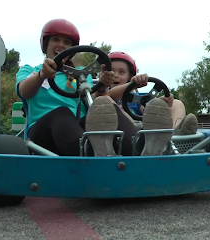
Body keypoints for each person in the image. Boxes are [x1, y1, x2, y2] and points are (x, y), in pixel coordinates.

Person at [16, 19, 171, 157]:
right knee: (62, 112)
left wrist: (103, 85)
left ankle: (141, 148)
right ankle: (91, 153)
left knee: (107, 107)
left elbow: (92, 104)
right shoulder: (30, 71)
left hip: (77, 132)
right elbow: (24, 91)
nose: (61, 45)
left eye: (67, 42)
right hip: (41, 136)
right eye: (55, 39)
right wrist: (42, 75)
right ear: (45, 44)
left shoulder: (82, 74)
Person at [103, 51, 198, 135]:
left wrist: (161, 104)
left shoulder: (136, 98)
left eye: (121, 72)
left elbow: (147, 111)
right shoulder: (103, 96)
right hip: (127, 136)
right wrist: (133, 84)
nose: (115, 75)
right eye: (111, 72)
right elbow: (110, 95)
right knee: (114, 108)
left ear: (130, 76)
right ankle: (140, 135)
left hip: (146, 127)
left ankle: (173, 135)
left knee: (176, 104)